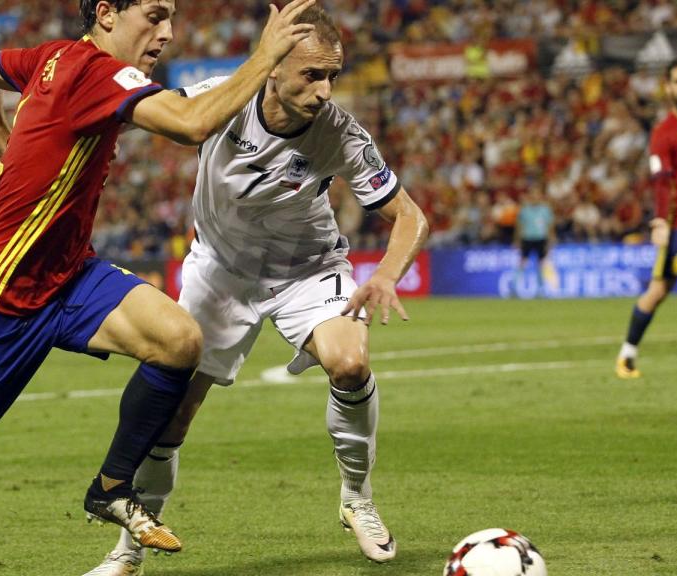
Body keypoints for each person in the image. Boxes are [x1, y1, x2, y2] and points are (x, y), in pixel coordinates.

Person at [0, 1, 319, 574]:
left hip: (69, 278)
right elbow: (193, 124)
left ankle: (110, 486)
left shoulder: (50, 56)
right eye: (154, 16)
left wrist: (12, 151)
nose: (168, 34)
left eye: (171, 18)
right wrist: (267, 54)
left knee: (179, 339)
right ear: (106, 13)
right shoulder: (96, 71)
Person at [83, 7, 428, 575]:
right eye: (312, 75)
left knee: (349, 362)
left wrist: (387, 273)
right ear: (272, 68)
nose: (325, 91)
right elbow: (135, 114)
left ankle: (357, 498)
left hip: (307, 269)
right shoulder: (220, 99)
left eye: (331, 76)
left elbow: (409, 216)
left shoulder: (340, 133)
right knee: (172, 417)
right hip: (219, 270)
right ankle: (129, 551)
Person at [616, 60, 677, 378]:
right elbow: (661, 181)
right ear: (668, 88)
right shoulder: (664, 133)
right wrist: (661, 222)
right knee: (658, 291)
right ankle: (627, 355)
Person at [512, 186, 557, 297]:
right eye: (533, 195)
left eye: (537, 195)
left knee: (541, 264)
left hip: (541, 239)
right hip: (527, 238)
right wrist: (517, 240)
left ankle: (540, 290)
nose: (535, 197)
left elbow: (550, 226)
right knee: (522, 263)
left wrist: (551, 239)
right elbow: (519, 226)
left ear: (540, 197)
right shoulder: (525, 210)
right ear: (530, 197)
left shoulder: (545, 210)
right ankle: (514, 288)